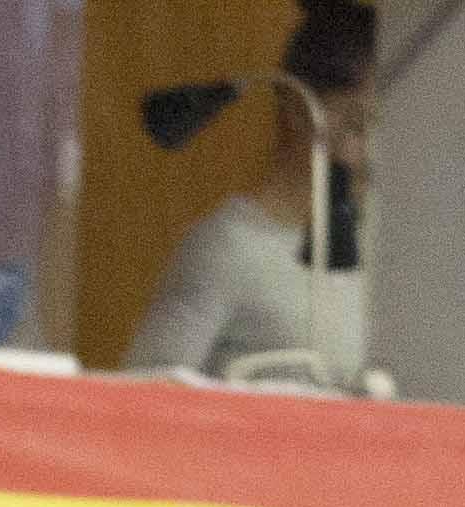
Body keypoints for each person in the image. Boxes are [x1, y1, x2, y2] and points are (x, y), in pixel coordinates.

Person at [122, 0, 370, 381]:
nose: (365, 154)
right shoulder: (230, 248)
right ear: (296, 109)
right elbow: (144, 395)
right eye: (354, 125)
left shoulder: (383, 252)